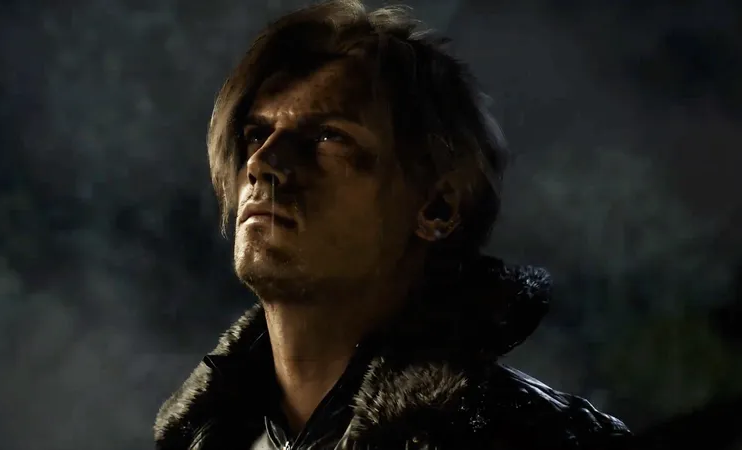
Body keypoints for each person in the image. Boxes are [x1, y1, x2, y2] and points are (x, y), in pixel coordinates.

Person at [154, 1, 631, 449]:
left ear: (436, 207)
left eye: (328, 137)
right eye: (257, 134)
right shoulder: (207, 438)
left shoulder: (545, 438)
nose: (262, 163)